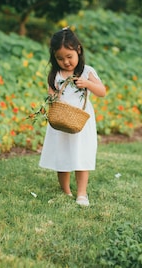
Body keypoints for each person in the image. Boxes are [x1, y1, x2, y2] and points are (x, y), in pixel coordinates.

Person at [39, 27, 106, 206]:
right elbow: (51, 92)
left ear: (78, 50)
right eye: (60, 58)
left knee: (82, 154)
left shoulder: (86, 72)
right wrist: (53, 96)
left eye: (69, 57)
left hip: (81, 122)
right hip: (61, 122)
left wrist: (88, 84)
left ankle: (82, 193)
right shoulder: (56, 74)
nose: (66, 62)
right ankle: (66, 190)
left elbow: (102, 91)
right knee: (62, 155)